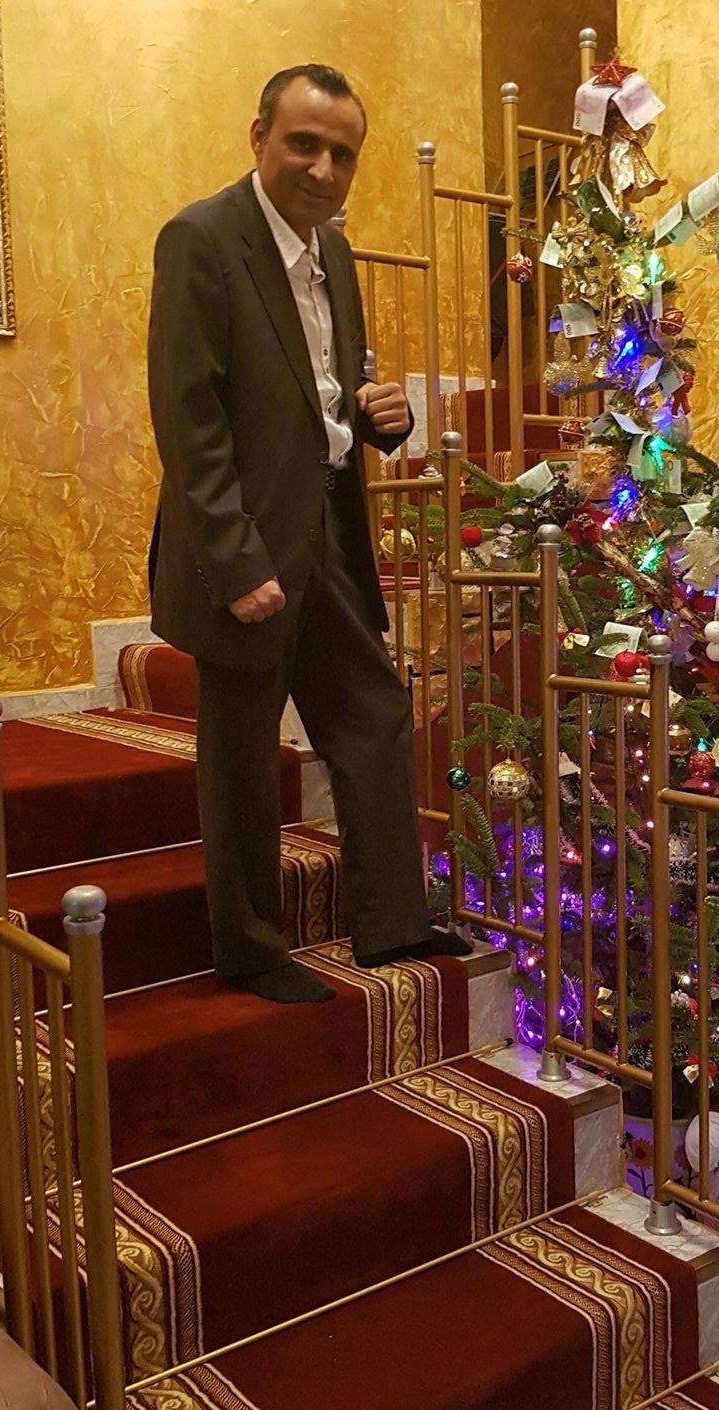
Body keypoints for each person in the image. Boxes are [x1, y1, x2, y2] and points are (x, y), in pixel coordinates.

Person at [147, 64, 468, 1003]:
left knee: (373, 714)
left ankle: (393, 923)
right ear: (260, 138)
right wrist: (234, 559)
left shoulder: (335, 250)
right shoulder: (202, 239)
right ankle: (251, 951)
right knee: (245, 754)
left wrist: (375, 417)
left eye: (342, 154)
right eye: (304, 144)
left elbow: (315, 391)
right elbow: (190, 418)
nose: (324, 169)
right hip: (245, 541)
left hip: (329, 522)